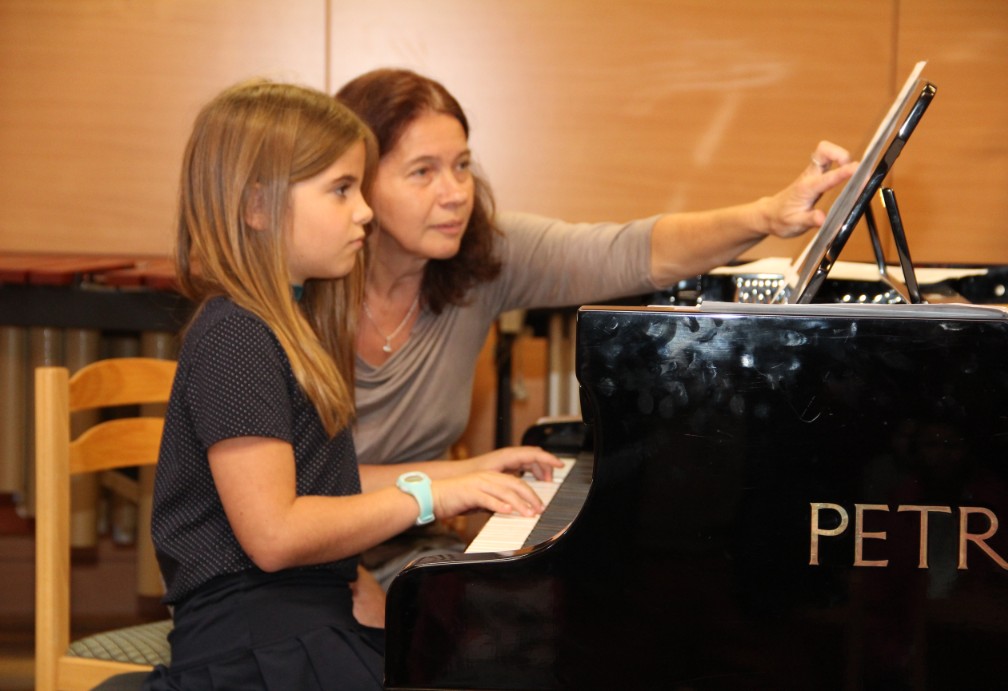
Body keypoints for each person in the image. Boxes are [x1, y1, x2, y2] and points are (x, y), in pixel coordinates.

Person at [333, 68, 858, 586]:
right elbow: (297, 499)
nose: (454, 193)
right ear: (358, 182)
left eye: (462, 166)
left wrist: (766, 216)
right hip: (315, 558)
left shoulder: (482, 258)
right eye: (422, 172)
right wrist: (450, 481)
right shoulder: (308, 285)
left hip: (407, 546)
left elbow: (633, 251)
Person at [133, 79, 560, 691]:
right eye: (341, 189)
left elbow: (322, 486)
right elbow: (275, 535)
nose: (364, 210)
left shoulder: (287, 322)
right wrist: (429, 498)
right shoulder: (236, 335)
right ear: (257, 208)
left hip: (300, 623)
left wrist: (465, 474)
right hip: (254, 650)